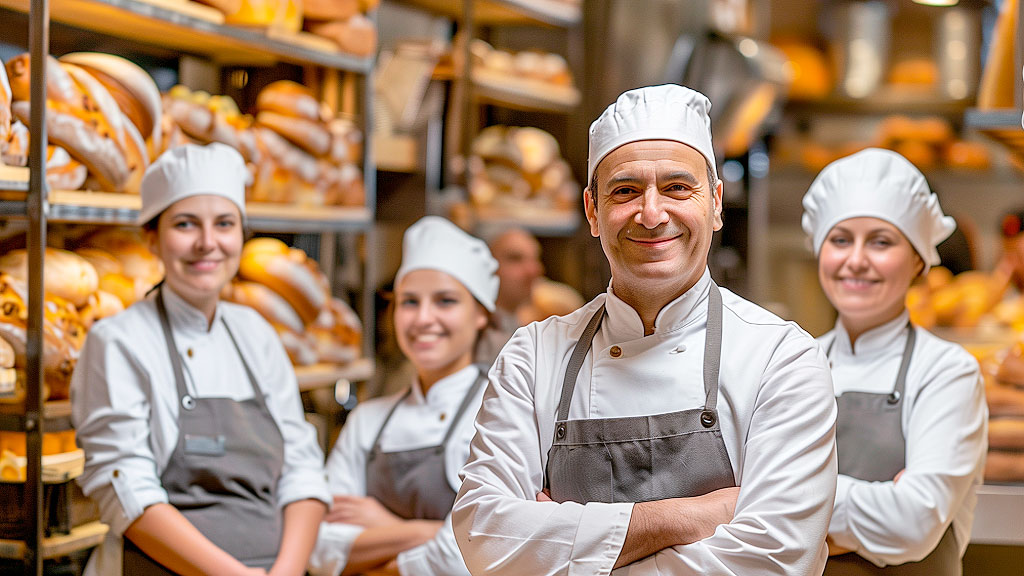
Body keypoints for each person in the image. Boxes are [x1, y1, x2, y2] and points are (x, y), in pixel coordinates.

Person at [451, 84, 839, 575]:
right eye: (625, 191)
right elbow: (485, 536)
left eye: (677, 188)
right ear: (593, 211)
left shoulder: (780, 358)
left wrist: (565, 541)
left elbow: (776, 560)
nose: (652, 215)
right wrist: (688, 517)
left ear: (716, 203)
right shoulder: (533, 356)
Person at [71, 143, 330, 576]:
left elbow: (301, 469)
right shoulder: (117, 340)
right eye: (185, 224)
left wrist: (285, 571)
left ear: (241, 235)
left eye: (224, 224)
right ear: (151, 238)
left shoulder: (255, 333)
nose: (208, 243)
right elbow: (126, 490)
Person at [802, 148, 988, 574]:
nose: (856, 260)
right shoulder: (791, 363)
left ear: (919, 259)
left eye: (881, 242)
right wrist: (873, 506)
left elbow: (913, 523)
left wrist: (791, 500)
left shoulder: (946, 372)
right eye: (840, 239)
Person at [309, 216, 497, 576]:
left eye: (445, 301)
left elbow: (488, 549)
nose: (423, 318)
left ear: (480, 314)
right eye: (409, 302)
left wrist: (382, 528)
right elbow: (318, 549)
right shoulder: (368, 421)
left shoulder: (499, 413)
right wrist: (432, 533)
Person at [474, 227, 544, 364]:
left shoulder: (528, 325)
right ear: (486, 267)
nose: (534, 271)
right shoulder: (479, 343)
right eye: (515, 259)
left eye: (535, 259)